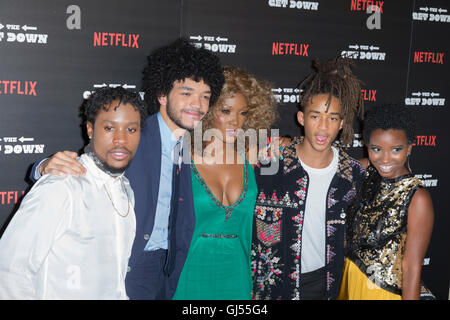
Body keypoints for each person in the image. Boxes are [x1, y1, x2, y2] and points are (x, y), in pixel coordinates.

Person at [28, 38, 225, 299]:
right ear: (163, 95)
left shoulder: (187, 145)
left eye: (205, 97)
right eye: (187, 93)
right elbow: (89, 165)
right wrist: (43, 168)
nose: (198, 105)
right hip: (130, 266)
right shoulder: (136, 134)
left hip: (167, 268)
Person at [0, 87, 146, 299]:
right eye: (109, 128)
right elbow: (8, 272)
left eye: (131, 130)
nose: (121, 140)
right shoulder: (61, 186)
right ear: (90, 129)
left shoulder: (125, 189)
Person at [251, 57, 365, 300]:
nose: (323, 127)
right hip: (270, 285)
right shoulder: (269, 159)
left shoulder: (353, 174)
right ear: (301, 118)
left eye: (332, 118)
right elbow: (219, 145)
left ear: (342, 123)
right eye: (315, 116)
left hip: (323, 284)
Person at [172, 66, 278, 299]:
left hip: (238, 276)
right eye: (226, 111)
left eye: (244, 113)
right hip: (187, 274)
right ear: (207, 110)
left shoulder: (252, 156)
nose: (236, 122)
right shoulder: (181, 156)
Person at [338, 104, 435, 300]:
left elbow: (411, 267)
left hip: (380, 293)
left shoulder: (417, 198)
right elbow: (321, 162)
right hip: (348, 280)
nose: (385, 159)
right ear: (367, 146)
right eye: (376, 149)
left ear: (409, 148)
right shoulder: (364, 170)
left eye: (396, 149)